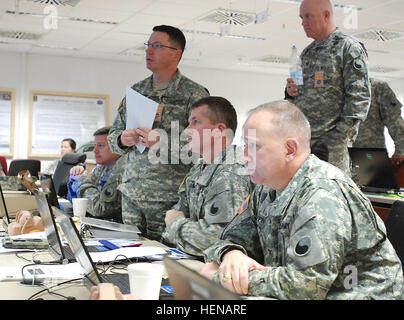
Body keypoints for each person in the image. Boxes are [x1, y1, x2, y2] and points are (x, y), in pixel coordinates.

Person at [201, 100, 403, 300]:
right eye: (244, 145)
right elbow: (231, 237)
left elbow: (306, 285)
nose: (244, 156)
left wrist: (223, 276)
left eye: (253, 147)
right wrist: (231, 254)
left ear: (289, 149)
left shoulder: (323, 193)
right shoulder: (266, 188)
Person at [108, 25, 209, 240]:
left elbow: (203, 147)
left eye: (157, 46)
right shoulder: (137, 91)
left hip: (168, 199)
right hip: (132, 194)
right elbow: (113, 136)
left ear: (176, 53)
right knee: (125, 260)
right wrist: (122, 139)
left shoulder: (194, 94)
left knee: (163, 262)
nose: (148, 51)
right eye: (148, 45)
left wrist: (161, 142)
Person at [285, 0, 371, 173]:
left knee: (329, 195)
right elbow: (300, 97)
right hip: (305, 142)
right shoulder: (308, 52)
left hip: (332, 145)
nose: (303, 22)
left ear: (326, 15)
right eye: (301, 17)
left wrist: (339, 137)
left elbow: (359, 98)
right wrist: (290, 93)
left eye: (308, 16)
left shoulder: (348, 47)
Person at [162, 96, 252, 257]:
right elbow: (176, 213)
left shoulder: (232, 172)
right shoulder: (199, 167)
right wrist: (178, 226)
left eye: (196, 122)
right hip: (192, 261)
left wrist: (175, 224)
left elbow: (215, 240)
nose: (186, 130)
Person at [68, 126, 125, 223]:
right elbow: (75, 201)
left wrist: (82, 180)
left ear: (117, 147)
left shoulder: (123, 171)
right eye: (95, 145)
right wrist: (75, 179)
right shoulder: (101, 168)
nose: (95, 150)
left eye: (101, 145)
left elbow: (99, 209)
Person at [353, 78, 404, 166]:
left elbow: (396, 123)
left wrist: (400, 153)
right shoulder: (331, 89)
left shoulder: (376, 87)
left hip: (369, 158)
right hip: (333, 157)